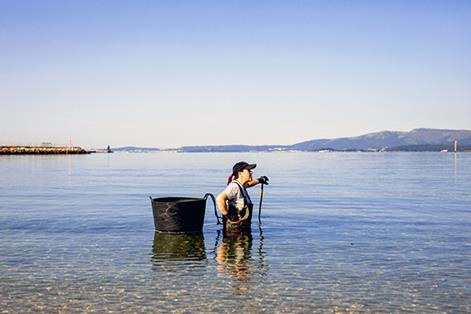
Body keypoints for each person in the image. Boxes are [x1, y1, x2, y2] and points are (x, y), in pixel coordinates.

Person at [216, 161, 269, 234]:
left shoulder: (241, 185)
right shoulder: (234, 187)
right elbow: (220, 198)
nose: (251, 172)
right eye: (248, 170)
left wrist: (259, 180)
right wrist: (227, 215)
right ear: (240, 173)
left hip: (242, 229)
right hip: (235, 232)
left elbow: (249, 184)